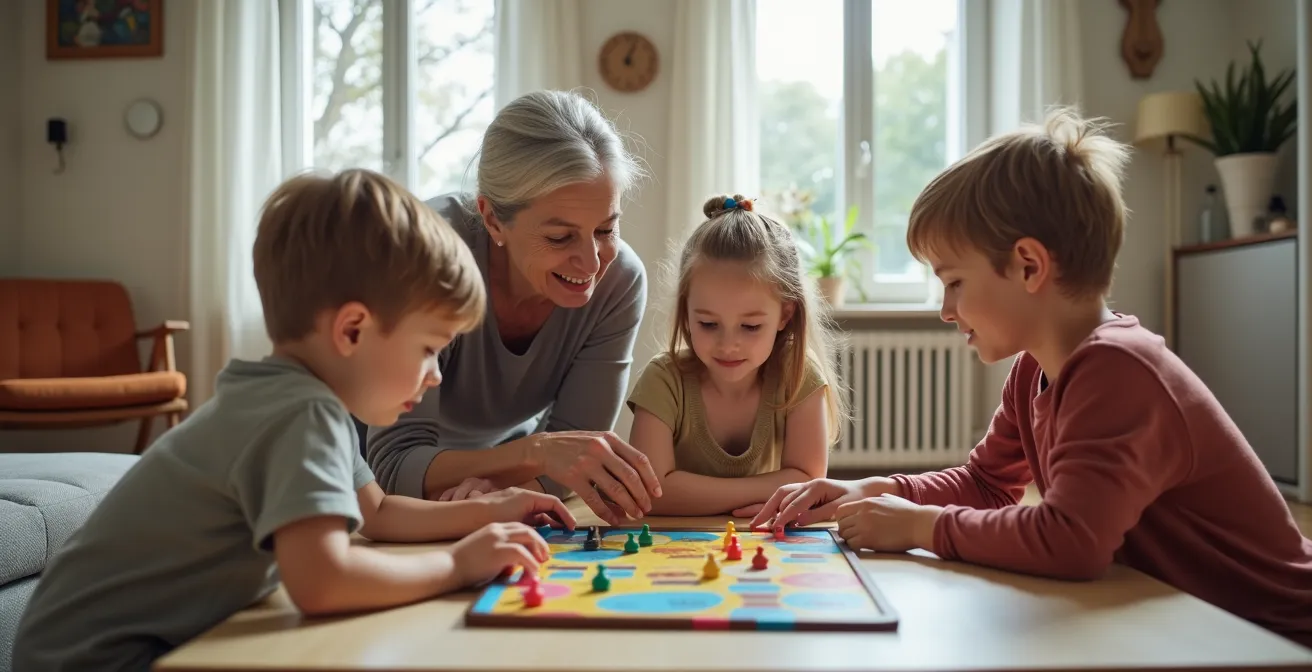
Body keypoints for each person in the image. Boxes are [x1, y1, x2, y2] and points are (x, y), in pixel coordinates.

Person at [749, 107, 1312, 648]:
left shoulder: (1117, 369)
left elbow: (1072, 542)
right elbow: (988, 484)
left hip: (1275, 635)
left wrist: (921, 527)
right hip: (1195, 624)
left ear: (1029, 266)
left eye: (953, 282)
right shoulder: (1034, 369)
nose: (945, 310)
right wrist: (873, 490)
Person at [12, 169, 576, 671]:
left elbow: (376, 513)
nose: (435, 376)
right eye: (429, 349)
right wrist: (456, 564)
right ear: (352, 330)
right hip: (95, 659)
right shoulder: (301, 414)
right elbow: (324, 583)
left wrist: (491, 509)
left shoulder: (296, 398)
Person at [366, 90, 661, 526]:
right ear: (492, 218)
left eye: (606, 230)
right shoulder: (427, 253)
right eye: (560, 237)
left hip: (500, 471)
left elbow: (576, 452)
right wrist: (535, 455)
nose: (592, 262)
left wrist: (507, 495)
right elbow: (394, 464)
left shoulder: (619, 282)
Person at [624, 194, 847, 517]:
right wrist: (767, 491)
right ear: (686, 312)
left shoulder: (799, 374)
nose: (728, 345)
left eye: (750, 327)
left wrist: (687, 492)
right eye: (708, 324)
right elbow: (651, 493)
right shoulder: (663, 379)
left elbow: (809, 482)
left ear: (785, 315)